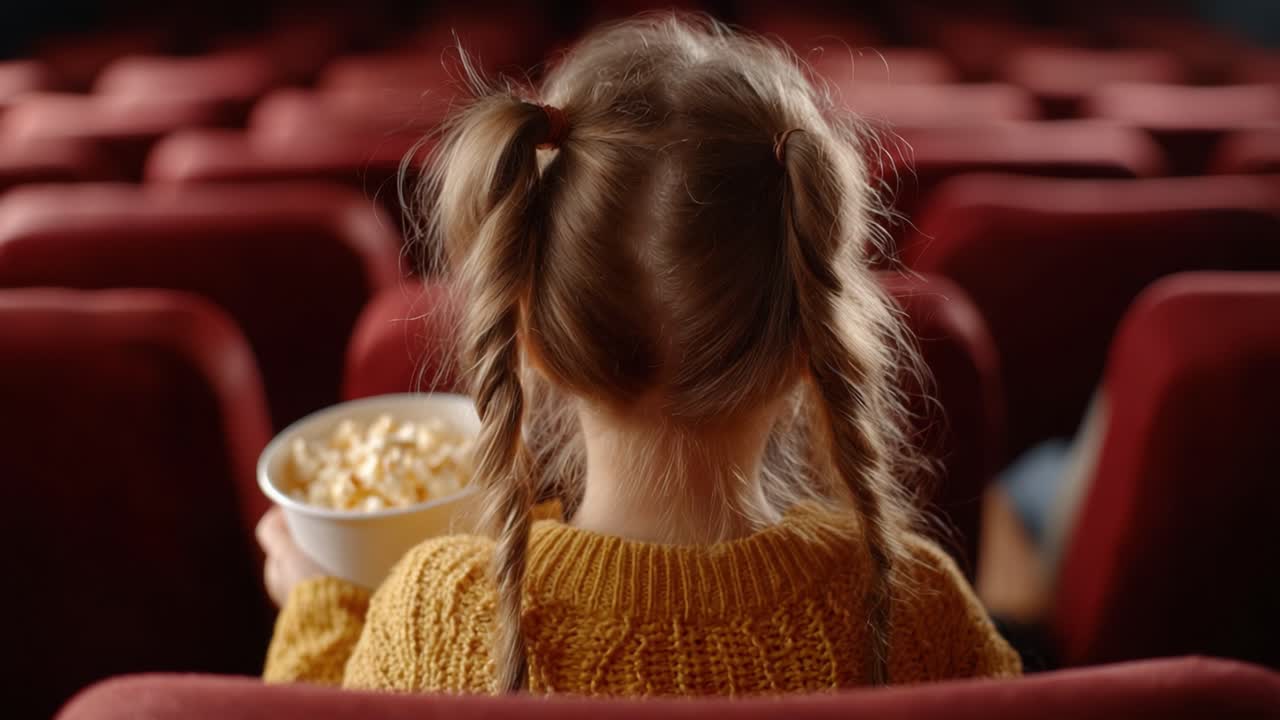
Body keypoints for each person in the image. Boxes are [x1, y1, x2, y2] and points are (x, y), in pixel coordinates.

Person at [258, 14, 1020, 696]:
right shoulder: (919, 607)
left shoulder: (435, 614)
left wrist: (318, 611)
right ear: (812, 339)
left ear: (529, 336)